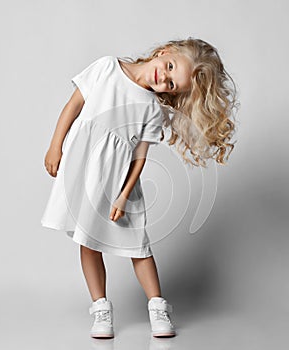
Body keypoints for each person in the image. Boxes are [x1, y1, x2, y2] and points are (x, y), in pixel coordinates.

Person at [41, 37, 239, 339]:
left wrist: (123, 195)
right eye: (169, 67)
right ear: (163, 53)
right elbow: (73, 107)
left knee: (138, 246)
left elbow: (138, 157)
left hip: (120, 183)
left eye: (172, 84)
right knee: (88, 240)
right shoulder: (106, 68)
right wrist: (55, 146)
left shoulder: (151, 108)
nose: (165, 78)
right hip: (86, 172)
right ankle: (101, 308)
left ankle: (157, 306)